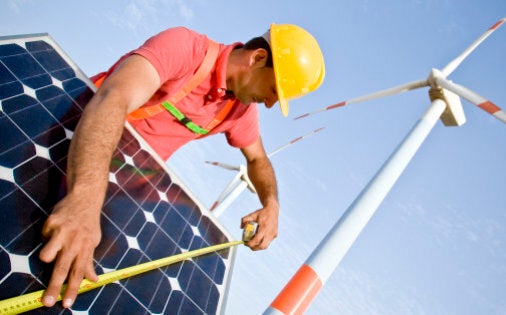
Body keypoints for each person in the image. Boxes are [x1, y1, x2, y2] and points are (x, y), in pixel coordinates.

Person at [37, 24, 325, 309]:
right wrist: (84, 201)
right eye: (275, 90)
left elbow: (258, 159)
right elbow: (113, 99)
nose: (272, 104)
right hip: (65, 147)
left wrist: (271, 204)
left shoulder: (238, 110)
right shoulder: (185, 48)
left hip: (116, 189)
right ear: (258, 58)